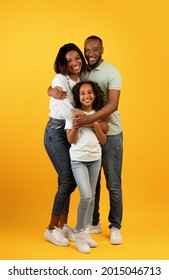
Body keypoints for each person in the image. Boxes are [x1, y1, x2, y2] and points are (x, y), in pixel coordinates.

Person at [48, 35, 123, 245]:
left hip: (110, 133)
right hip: (74, 133)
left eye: (95, 49)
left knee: (112, 184)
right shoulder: (78, 73)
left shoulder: (110, 72)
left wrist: (88, 121)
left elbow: (113, 106)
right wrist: (50, 91)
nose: (89, 54)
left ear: (102, 49)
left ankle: (114, 226)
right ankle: (84, 225)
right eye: (86, 50)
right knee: (84, 183)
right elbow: (58, 84)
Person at [44, 43, 87, 247]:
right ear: (63, 63)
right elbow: (62, 107)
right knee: (68, 180)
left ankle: (63, 225)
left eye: (77, 58)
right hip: (55, 132)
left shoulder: (82, 78)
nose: (74, 63)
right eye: (69, 60)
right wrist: (79, 114)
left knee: (67, 180)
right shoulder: (59, 79)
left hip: (71, 131)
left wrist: (81, 115)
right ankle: (51, 228)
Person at [65, 81, 107, 253]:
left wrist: (93, 122)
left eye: (89, 92)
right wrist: (77, 124)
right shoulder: (73, 114)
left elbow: (103, 140)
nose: (86, 96)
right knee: (86, 196)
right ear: (78, 96)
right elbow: (70, 140)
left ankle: (87, 232)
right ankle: (80, 234)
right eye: (82, 93)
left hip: (95, 159)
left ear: (95, 94)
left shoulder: (99, 114)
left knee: (93, 196)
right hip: (78, 160)